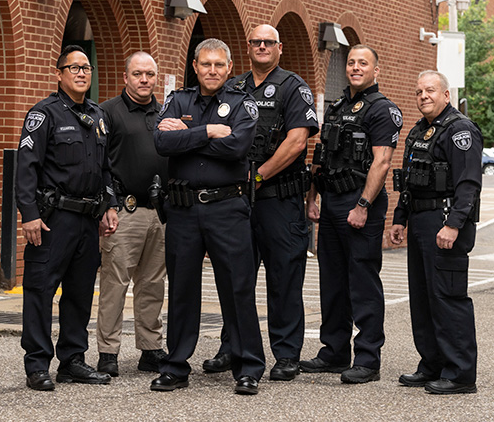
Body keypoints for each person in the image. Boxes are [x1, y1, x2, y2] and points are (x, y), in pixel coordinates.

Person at [203, 24, 319, 381]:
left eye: (269, 42)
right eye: (256, 42)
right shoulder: (232, 86)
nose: (262, 47)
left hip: (277, 199)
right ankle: (231, 347)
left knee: (284, 278)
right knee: (235, 277)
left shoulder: (293, 87)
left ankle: (286, 355)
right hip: (237, 199)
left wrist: (260, 174)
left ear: (279, 48)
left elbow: (297, 141)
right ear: (248, 47)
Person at [151, 38, 265, 395]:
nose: (212, 70)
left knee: (237, 288)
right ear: (195, 66)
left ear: (229, 68)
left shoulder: (242, 103)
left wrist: (187, 134)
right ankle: (175, 366)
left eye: (219, 65)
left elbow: (238, 148)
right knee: (182, 288)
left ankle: (248, 367)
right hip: (182, 209)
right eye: (205, 64)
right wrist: (208, 131)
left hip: (226, 208)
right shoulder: (177, 100)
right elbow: (161, 143)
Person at [15, 45, 118, 391]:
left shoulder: (98, 116)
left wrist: (109, 206)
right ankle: (37, 364)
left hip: (88, 220)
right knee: (40, 290)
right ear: (59, 74)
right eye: (73, 68)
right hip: (52, 220)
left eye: (86, 67)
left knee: (79, 292)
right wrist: (28, 214)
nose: (81, 73)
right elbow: (26, 169)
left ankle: (72, 360)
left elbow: (106, 170)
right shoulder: (44, 114)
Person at [300, 45, 403, 384]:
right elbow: (321, 156)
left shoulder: (382, 109)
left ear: (377, 69)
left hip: (360, 203)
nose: (356, 68)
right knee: (332, 280)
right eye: (352, 63)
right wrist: (312, 198)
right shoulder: (338, 107)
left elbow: (382, 162)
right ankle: (334, 351)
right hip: (330, 201)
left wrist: (363, 205)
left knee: (362, 281)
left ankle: (368, 359)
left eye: (363, 63)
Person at [390, 70, 481, 395]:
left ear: (446, 95)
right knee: (423, 297)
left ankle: (459, 374)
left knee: (448, 297)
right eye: (419, 92)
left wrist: (454, 224)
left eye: (430, 90)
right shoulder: (420, 130)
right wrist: (400, 218)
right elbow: (410, 179)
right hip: (421, 220)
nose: (424, 96)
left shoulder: (460, 131)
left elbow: (468, 184)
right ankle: (432, 363)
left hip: (445, 222)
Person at [96, 52, 168, 377]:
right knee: (115, 283)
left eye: (150, 74)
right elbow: (99, 164)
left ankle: (151, 349)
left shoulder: (165, 113)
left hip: (159, 212)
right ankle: (108, 352)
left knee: (153, 284)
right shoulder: (108, 112)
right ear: (126, 77)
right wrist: (107, 205)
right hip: (124, 211)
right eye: (138, 74)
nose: (144, 80)